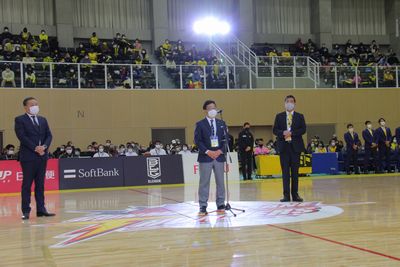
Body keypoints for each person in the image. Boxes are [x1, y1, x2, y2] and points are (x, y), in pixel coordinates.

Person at [14, 97, 55, 220]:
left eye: (36, 104)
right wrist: (35, 148)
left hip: (42, 156)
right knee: (27, 184)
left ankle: (41, 209)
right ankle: (26, 210)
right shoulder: (20, 119)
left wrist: (44, 147)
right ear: (26, 107)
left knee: (40, 184)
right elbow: (21, 136)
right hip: (28, 157)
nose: (35, 106)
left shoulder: (42, 120)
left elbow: (49, 135)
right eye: (32, 104)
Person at [194, 100, 227, 215]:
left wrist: (220, 151)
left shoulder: (222, 123)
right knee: (204, 182)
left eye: (214, 107)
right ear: (205, 110)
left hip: (219, 157)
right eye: (210, 108)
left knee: (220, 182)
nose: (213, 110)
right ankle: (203, 205)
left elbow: (226, 140)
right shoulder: (200, 124)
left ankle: (221, 203)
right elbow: (197, 141)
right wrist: (208, 151)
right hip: (206, 157)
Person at [273, 95, 306, 202]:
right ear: (284, 103)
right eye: (287, 101)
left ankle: (295, 194)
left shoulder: (300, 116)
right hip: (284, 148)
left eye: (291, 101)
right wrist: (283, 133)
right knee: (285, 172)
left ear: (295, 103)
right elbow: (275, 130)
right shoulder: (279, 116)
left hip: (295, 147)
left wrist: (292, 133)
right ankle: (286, 195)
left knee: (295, 172)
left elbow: (303, 129)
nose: (289, 103)